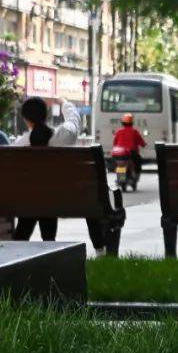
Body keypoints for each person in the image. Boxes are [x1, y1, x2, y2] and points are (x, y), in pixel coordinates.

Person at [12, 96, 107, 252]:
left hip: (32, 202)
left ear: (26, 119)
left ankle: (22, 250)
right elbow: (74, 120)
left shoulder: (20, 144)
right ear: (47, 115)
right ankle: (100, 251)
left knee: (37, 198)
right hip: (69, 200)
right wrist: (64, 103)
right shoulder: (65, 134)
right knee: (53, 199)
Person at [110, 112, 146, 179]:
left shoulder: (119, 132)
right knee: (138, 162)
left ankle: (120, 178)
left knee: (119, 165)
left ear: (123, 123)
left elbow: (115, 143)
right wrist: (143, 145)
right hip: (131, 153)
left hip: (119, 154)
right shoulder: (134, 131)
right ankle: (136, 176)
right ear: (132, 123)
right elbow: (141, 142)